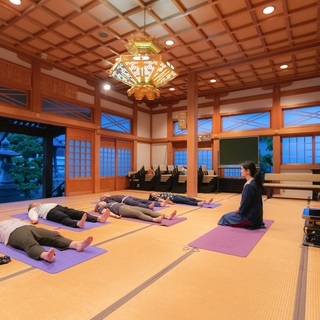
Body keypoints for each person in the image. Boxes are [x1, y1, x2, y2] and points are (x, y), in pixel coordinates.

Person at [0, 219, 93, 262]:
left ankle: (77, 244)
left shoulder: (13, 219)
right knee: (29, 243)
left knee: (52, 235)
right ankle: (45, 256)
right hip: (12, 233)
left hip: (29, 227)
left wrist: (49, 231)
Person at [218, 161, 264, 229]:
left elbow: (245, 204)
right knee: (228, 216)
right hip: (256, 217)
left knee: (224, 218)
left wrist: (238, 210)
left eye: (242, 169)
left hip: (249, 218)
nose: (240, 171)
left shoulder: (249, 185)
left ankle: (250, 224)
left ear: (247, 171)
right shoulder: (254, 182)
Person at [27, 202, 109, 229]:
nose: (36, 202)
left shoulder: (44, 203)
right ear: (32, 206)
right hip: (49, 212)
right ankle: (77, 224)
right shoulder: (33, 209)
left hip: (58, 207)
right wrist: (34, 219)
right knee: (63, 217)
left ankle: (99, 219)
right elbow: (32, 214)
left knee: (77, 213)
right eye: (34, 203)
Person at [95, 201, 177, 223]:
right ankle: (155, 220)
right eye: (100, 203)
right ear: (99, 206)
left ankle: (167, 216)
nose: (102, 202)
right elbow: (107, 212)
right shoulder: (102, 208)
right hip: (121, 210)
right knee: (138, 214)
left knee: (146, 210)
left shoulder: (110, 202)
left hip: (125, 206)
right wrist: (115, 216)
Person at [99, 194, 170, 209]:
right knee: (136, 203)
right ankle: (148, 207)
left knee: (142, 200)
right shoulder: (106, 199)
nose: (107, 193)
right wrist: (121, 203)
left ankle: (160, 204)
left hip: (128, 197)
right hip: (124, 200)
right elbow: (113, 203)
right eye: (105, 194)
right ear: (104, 197)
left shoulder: (110, 196)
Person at [149, 192, 213, 207]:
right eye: (153, 193)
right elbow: (164, 201)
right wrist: (170, 202)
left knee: (190, 198)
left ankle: (206, 202)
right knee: (186, 201)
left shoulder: (159, 194)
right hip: (174, 198)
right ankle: (198, 203)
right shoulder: (156, 198)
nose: (154, 192)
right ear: (152, 196)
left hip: (175, 195)